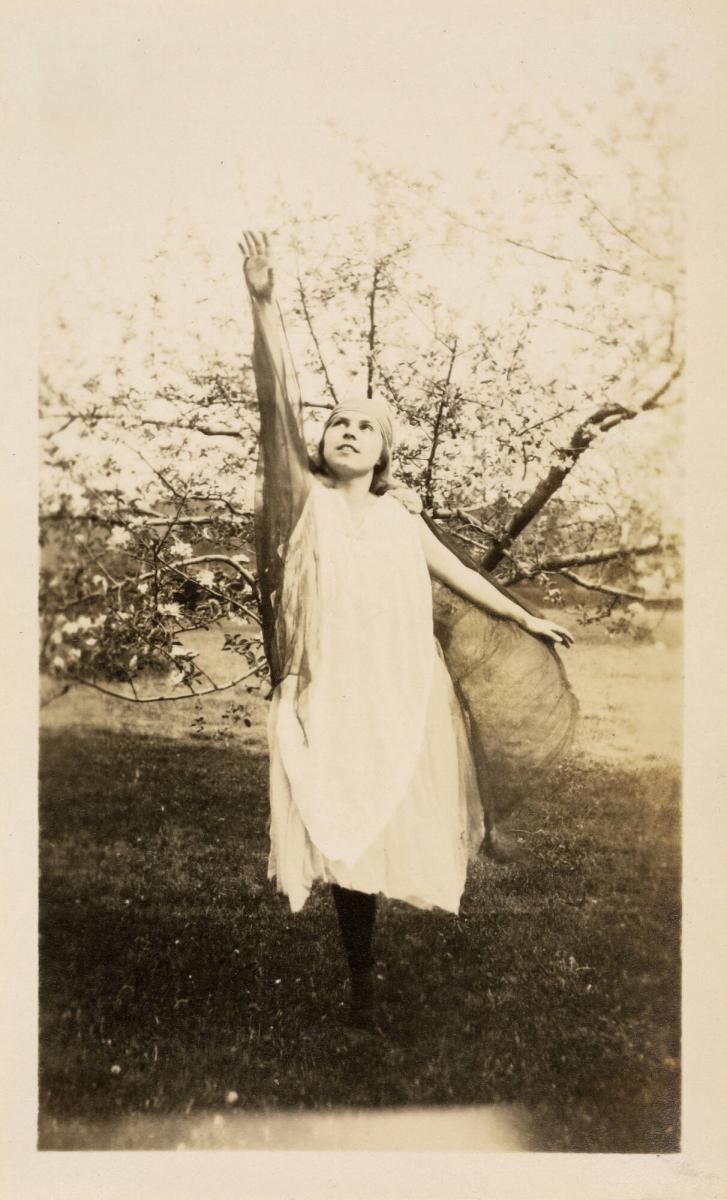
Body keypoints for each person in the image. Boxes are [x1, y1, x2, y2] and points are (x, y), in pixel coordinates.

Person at [238, 230, 575, 1032]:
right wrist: (264, 304)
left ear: (386, 451)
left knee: (384, 818)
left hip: (401, 690)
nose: (348, 431)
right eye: (337, 423)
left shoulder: (401, 518)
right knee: (341, 821)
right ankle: (360, 975)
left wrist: (523, 615)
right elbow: (277, 403)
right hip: (329, 690)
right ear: (321, 444)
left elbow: (461, 577)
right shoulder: (308, 504)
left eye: (366, 427)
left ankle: (365, 974)